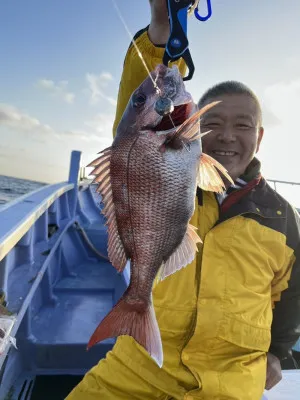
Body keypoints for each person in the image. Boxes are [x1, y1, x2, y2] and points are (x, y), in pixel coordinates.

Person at [66, 1, 300, 399]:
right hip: (136, 373)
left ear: (259, 137)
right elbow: (135, 106)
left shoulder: (282, 217)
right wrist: (163, 25)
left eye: (243, 125)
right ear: (193, 124)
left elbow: (292, 293)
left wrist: (279, 353)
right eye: (212, 123)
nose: (227, 136)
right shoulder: (186, 172)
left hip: (230, 386)